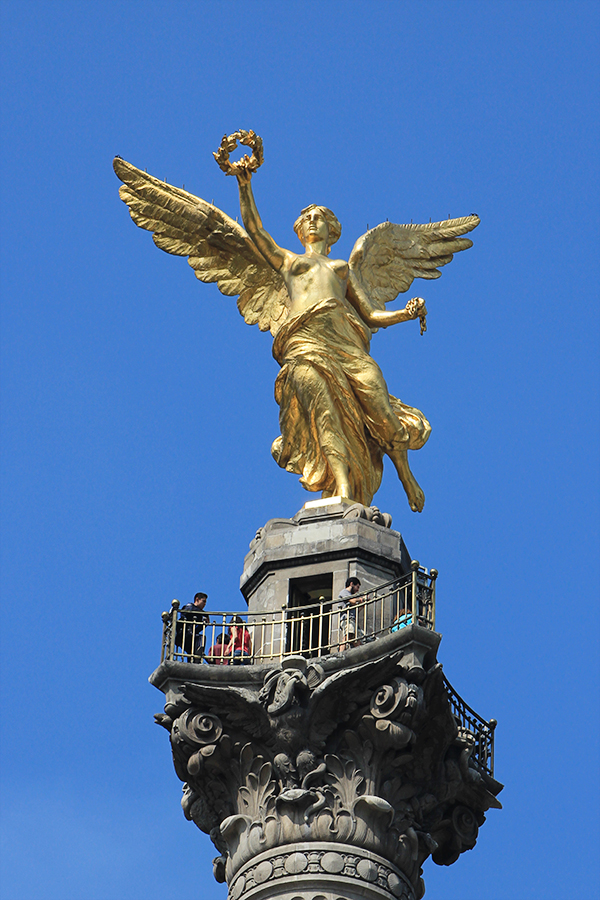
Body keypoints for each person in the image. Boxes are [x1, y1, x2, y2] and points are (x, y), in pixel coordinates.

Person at [236, 168, 430, 511]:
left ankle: (405, 475)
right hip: (305, 345)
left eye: (319, 218)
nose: (312, 222)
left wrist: (405, 313)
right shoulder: (288, 262)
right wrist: (244, 182)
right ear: (298, 230)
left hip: (346, 345)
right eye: (306, 218)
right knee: (325, 414)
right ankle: (341, 484)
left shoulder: (342, 268)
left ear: (332, 229)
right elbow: (255, 231)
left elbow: (369, 316)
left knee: (381, 409)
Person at [177, 592, 209, 662]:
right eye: (203, 601)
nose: (204, 604)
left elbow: (197, 628)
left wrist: (205, 623)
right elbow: (186, 612)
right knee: (200, 638)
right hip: (184, 633)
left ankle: (194, 659)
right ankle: (197, 654)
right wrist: (203, 614)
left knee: (192, 651)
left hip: (190, 634)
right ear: (197, 599)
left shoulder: (199, 613)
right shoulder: (189, 606)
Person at [338, 577, 364, 651]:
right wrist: (361, 599)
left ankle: (362, 653)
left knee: (357, 639)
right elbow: (352, 601)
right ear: (351, 584)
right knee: (348, 636)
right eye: (357, 587)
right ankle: (341, 653)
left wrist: (362, 604)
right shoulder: (344, 592)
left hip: (352, 620)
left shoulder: (352, 596)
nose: (357, 590)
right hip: (347, 619)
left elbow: (356, 611)